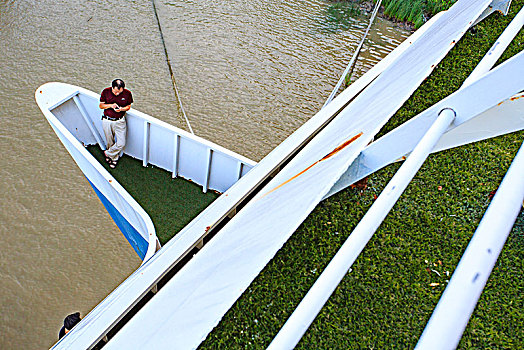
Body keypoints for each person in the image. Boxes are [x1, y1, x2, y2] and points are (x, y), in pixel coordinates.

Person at [99, 79, 133, 168]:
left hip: (119, 121)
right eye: (116, 91)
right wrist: (111, 105)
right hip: (107, 120)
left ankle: (108, 154)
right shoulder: (106, 92)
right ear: (112, 87)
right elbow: (101, 105)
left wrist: (121, 109)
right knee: (110, 141)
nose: (117, 94)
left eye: (120, 92)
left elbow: (128, 106)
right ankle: (114, 158)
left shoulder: (127, 93)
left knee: (121, 143)